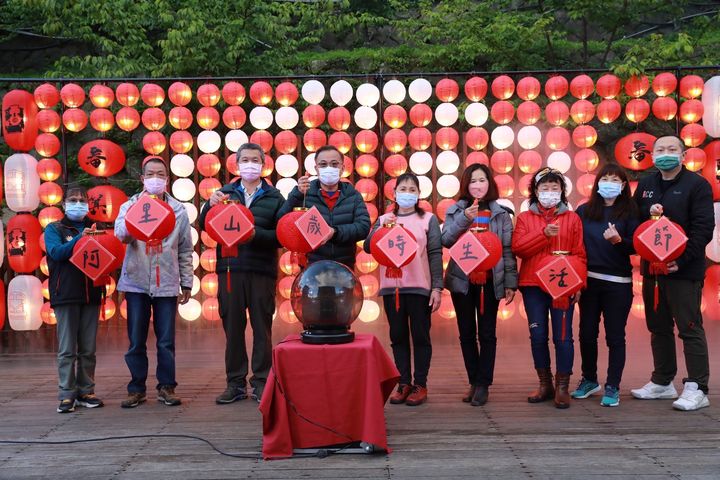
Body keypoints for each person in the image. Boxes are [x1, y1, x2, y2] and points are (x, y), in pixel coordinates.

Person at [631, 135, 715, 411]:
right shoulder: (646, 185)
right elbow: (634, 219)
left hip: (683, 270)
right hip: (652, 270)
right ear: (652, 155)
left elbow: (703, 229)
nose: (665, 154)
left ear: (683, 155)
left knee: (689, 327)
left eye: (672, 149)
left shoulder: (697, 185)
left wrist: (684, 259)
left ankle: (697, 387)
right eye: (660, 150)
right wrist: (648, 211)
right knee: (658, 326)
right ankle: (663, 381)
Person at [199, 143, 284, 405]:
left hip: (261, 270)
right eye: (245, 159)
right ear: (236, 165)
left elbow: (282, 234)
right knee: (232, 328)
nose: (250, 164)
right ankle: (235, 383)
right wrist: (207, 205)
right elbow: (205, 225)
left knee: (262, 328)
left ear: (263, 164)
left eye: (255, 160)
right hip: (229, 270)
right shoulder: (223, 193)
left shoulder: (275, 197)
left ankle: (261, 382)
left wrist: (255, 234)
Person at [114, 156, 194, 408]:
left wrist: (187, 283)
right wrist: (134, 223)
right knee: (136, 338)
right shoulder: (130, 206)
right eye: (151, 174)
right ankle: (136, 388)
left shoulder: (178, 210)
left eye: (160, 174)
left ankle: (166, 386)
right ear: (142, 178)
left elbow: (185, 248)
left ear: (167, 179)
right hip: (136, 281)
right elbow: (120, 235)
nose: (155, 179)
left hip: (167, 281)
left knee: (166, 340)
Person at [441, 164, 517, 407]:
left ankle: (484, 384)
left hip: (490, 278)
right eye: (473, 181)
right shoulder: (455, 210)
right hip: (462, 279)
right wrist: (465, 218)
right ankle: (473, 380)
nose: (477, 185)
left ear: (489, 183)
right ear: (466, 185)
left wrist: (510, 282)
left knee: (487, 333)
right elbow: (446, 240)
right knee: (466, 333)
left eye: (482, 180)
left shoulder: (501, 214)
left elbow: (507, 249)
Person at [364, 172, 442, 406]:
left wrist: (437, 287)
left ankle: (420, 384)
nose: (407, 193)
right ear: (394, 193)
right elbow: (368, 246)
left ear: (419, 194)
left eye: (412, 190)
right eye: (403, 189)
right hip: (392, 288)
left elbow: (435, 253)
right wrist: (382, 229)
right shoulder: (385, 218)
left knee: (420, 336)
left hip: (419, 287)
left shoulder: (428, 219)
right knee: (397, 336)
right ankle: (403, 382)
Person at [512, 167, 586, 409]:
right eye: (545, 188)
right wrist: (543, 234)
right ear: (535, 191)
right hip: (533, 285)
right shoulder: (524, 218)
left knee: (563, 336)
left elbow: (580, 254)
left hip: (562, 286)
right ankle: (545, 383)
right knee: (538, 335)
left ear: (562, 192)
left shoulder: (572, 218)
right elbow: (519, 248)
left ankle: (563, 385)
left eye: (555, 188)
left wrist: (579, 284)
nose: (550, 192)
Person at [573, 164, 640, 407]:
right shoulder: (584, 210)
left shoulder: (630, 212)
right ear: (597, 183)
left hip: (618, 284)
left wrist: (619, 241)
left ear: (623, 186)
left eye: (615, 179)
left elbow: (638, 245)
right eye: (605, 178)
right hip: (589, 281)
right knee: (587, 333)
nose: (609, 183)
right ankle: (589, 379)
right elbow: (574, 243)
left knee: (615, 336)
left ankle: (613, 386)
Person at [45, 187, 105, 413]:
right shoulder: (54, 228)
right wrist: (81, 238)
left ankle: (86, 391)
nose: (78, 204)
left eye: (82, 200)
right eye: (73, 200)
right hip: (66, 295)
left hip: (91, 293)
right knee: (67, 348)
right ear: (64, 205)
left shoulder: (98, 228)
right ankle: (66, 394)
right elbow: (57, 253)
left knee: (88, 348)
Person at [278, 145, 370, 268]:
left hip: (344, 267)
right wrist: (297, 194)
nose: (329, 168)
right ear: (316, 169)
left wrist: (335, 232)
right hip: (311, 268)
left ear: (342, 168)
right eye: (323, 164)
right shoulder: (304, 193)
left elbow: (363, 227)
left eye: (334, 164)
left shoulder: (352, 195)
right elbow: (281, 220)